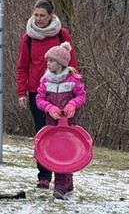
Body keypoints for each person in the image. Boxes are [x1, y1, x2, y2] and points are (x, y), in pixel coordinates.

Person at [16, 0, 78, 189]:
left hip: (60, 92)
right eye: (35, 15)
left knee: (61, 133)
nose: (38, 19)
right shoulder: (28, 38)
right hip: (37, 92)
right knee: (42, 133)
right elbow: (22, 67)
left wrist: (73, 90)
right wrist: (21, 92)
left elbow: (72, 63)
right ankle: (43, 175)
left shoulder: (62, 35)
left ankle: (64, 176)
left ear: (51, 16)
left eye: (42, 15)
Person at [35, 42, 87, 199]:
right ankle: (65, 185)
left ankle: (61, 186)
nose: (48, 63)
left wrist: (72, 104)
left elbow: (81, 96)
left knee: (67, 152)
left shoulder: (73, 79)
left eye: (51, 61)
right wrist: (49, 108)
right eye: (48, 61)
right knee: (56, 152)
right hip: (52, 123)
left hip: (68, 124)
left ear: (61, 63)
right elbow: (39, 99)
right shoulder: (45, 80)